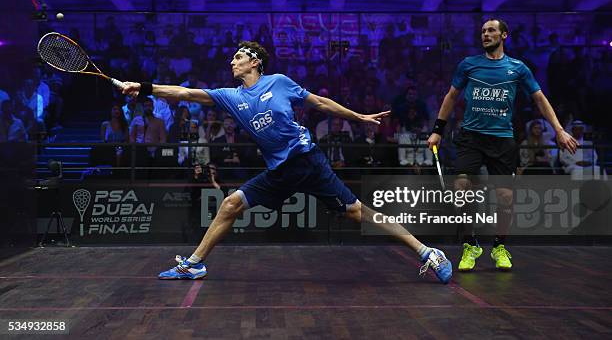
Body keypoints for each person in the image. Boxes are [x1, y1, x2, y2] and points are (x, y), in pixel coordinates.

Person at [120, 40, 452, 284]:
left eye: (237, 57)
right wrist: (144, 88)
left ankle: (427, 253)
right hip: (279, 171)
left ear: (254, 62)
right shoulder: (231, 96)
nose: (231, 61)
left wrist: (359, 116)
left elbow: (319, 102)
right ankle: (194, 264)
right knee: (231, 205)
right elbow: (185, 93)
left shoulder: (279, 82)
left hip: (307, 160)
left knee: (357, 212)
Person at [427, 18, 577, 272]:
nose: (485, 34)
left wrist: (559, 130)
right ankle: (470, 244)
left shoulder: (518, 68)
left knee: (505, 197)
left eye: (491, 30)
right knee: (462, 187)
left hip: (502, 139)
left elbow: (539, 98)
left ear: (504, 35)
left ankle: (499, 246)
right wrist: (437, 131)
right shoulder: (469, 65)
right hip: (471, 137)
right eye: (483, 31)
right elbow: (451, 96)